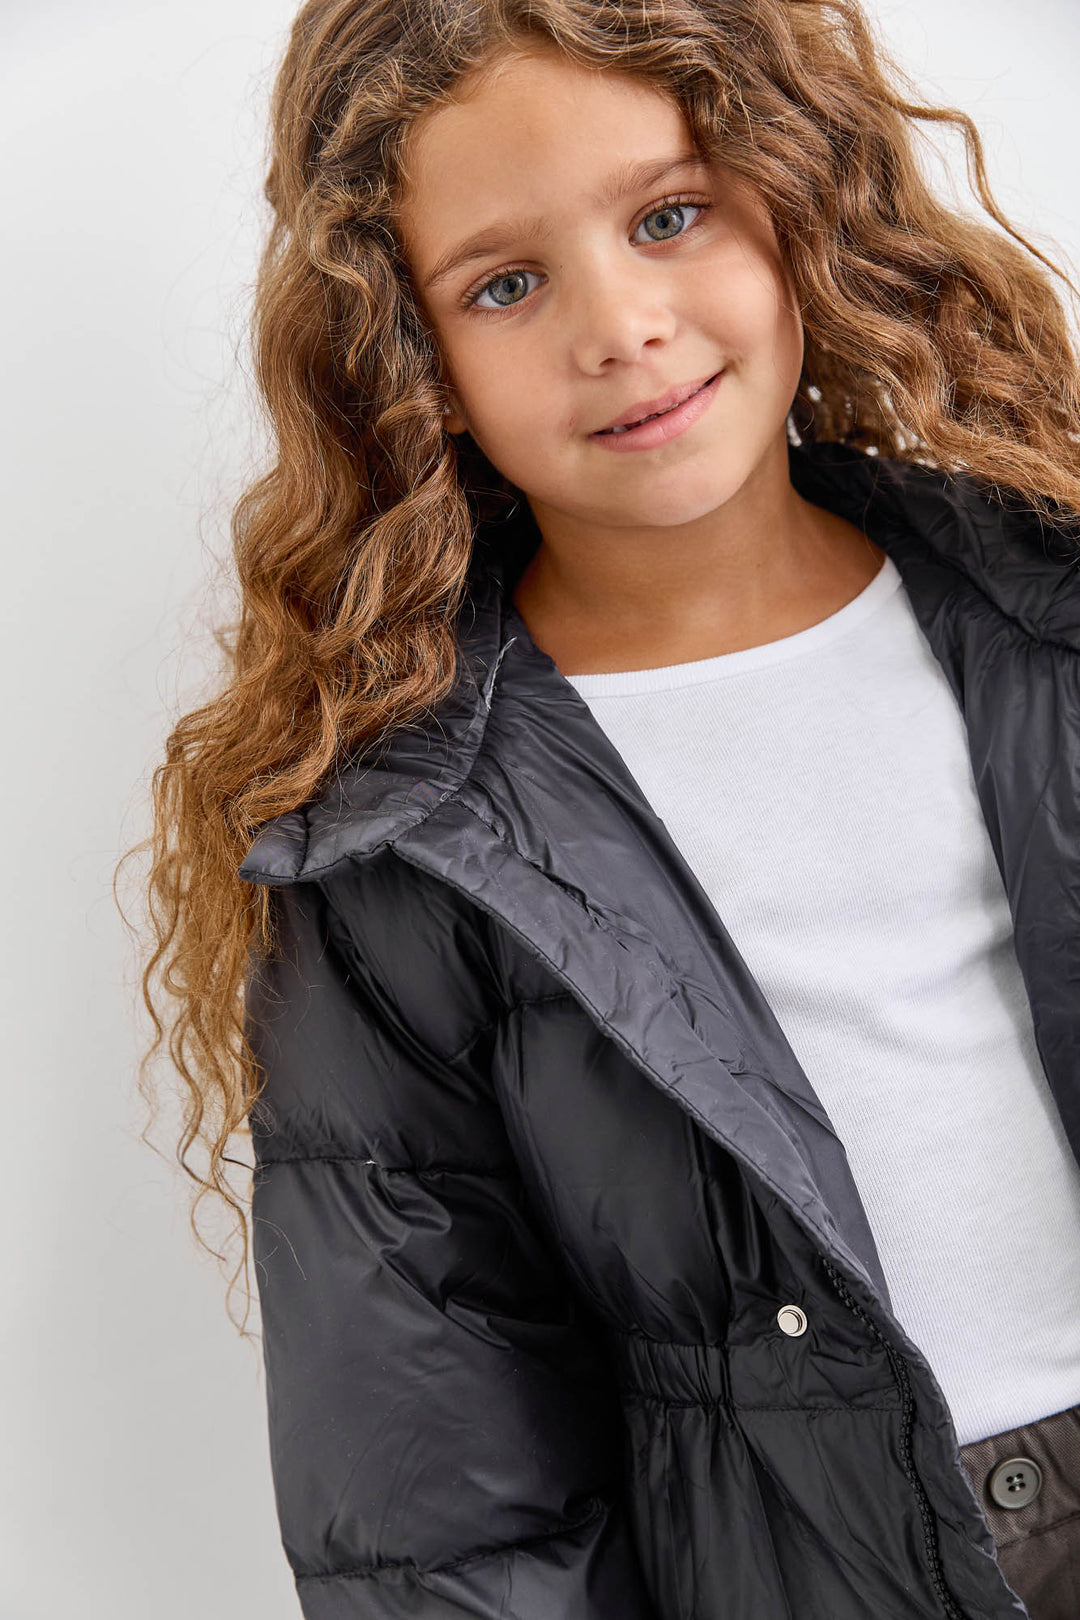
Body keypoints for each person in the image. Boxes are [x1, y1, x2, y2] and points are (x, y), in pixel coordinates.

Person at [131, 0, 1080, 1615]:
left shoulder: (1045, 616)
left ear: (796, 201)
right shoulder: (399, 839)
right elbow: (440, 1493)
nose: (621, 326)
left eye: (668, 215)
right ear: (414, 364)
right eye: (505, 284)